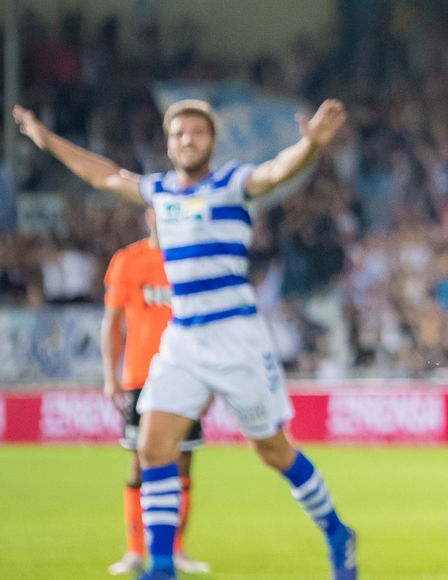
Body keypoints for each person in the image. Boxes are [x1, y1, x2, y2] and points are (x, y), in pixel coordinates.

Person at [12, 98, 357, 580]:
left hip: (236, 338)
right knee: (153, 448)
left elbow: (274, 172)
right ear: (169, 144)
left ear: (211, 142)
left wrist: (310, 146)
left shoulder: (231, 183)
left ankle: (338, 532)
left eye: (196, 133)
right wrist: (46, 140)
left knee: (273, 450)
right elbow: (102, 175)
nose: (187, 140)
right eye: (178, 134)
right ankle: (160, 566)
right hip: (184, 339)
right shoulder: (160, 192)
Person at [103, 208, 209, 576]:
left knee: (183, 462)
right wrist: (110, 375)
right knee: (140, 461)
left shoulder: (192, 262)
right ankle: (135, 551)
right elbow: (112, 322)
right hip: (140, 376)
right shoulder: (128, 261)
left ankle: (176, 550)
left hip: (186, 374)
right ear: (150, 215)